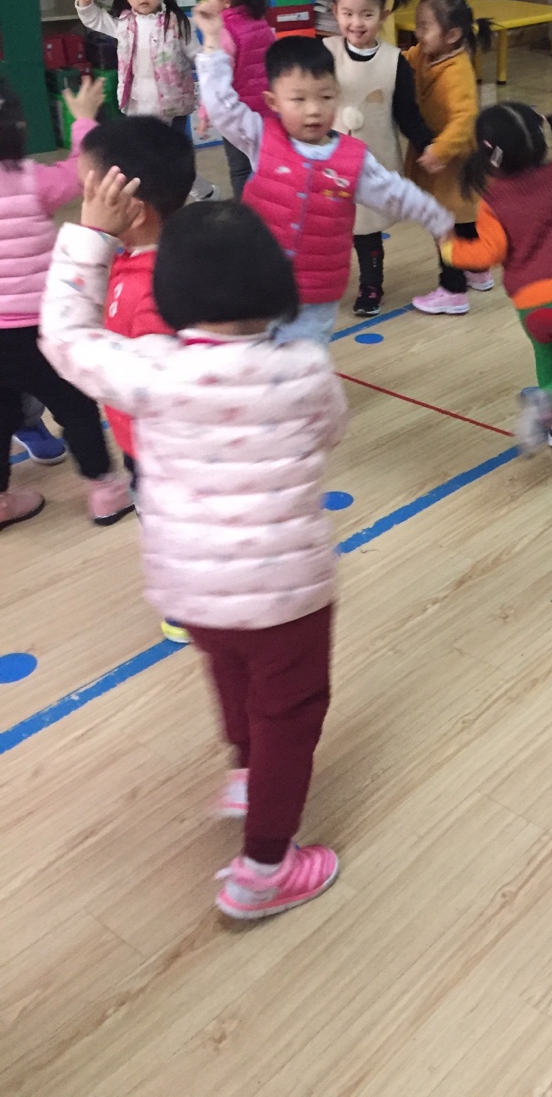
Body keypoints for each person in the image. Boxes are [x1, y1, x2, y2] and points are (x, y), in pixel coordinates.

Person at [40, 185, 346, 920]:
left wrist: (91, 236)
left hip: (192, 591)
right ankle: (265, 870)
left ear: (171, 291)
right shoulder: (308, 368)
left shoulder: (152, 368)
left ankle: (245, 772)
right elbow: (329, 431)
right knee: (290, 711)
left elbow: (64, 337)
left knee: (230, 675)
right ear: (274, 281)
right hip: (287, 593)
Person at [192, 21, 455, 345]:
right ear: (273, 102)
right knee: (256, 354)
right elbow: (222, 107)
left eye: (325, 96)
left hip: (316, 295)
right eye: (298, 100)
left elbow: (394, 193)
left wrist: (437, 218)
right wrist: (212, 45)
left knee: (305, 360)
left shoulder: (352, 159)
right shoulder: (261, 137)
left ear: (338, 96)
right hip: (259, 281)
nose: (314, 110)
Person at [78, 113, 196, 642]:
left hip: (162, 447)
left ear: (134, 208)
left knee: (171, 525)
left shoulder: (158, 285)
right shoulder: (137, 256)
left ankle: (189, 602)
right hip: (140, 440)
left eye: (89, 193)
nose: (83, 205)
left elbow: (148, 382)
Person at [0, 76, 133, 530]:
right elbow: (83, 171)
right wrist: (82, 121)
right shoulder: (33, 180)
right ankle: (105, 492)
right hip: (41, 328)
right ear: (17, 127)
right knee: (75, 404)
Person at [447, 96, 552, 452]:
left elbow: (487, 254)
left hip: (532, 308)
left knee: (550, 358)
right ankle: (549, 404)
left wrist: (450, 249)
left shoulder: (493, 199)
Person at [324, 0, 434, 317]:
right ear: (335, 12)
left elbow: (407, 113)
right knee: (324, 227)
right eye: (348, 14)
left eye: (366, 15)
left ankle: (371, 285)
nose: (356, 23)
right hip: (328, 162)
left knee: (366, 229)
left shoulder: (393, 61)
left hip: (373, 160)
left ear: (383, 15)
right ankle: (321, 283)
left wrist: (429, 144)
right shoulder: (324, 53)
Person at [75, 0, 214, 200]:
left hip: (173, 106)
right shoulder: (124, 24)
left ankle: (202, 191)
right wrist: (85, 4)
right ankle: (153, 200)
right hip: (137, 104)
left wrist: (214, 63)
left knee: (172, 157)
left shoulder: (177, 23)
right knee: (143, 158)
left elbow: (197, 56)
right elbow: (95, 19)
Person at [404, 0, 494, 316]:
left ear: (452, 35)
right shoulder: (426, 54)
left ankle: (453, 289)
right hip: (446, 159)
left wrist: (440, 150)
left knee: (444, 222)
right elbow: (404, 62)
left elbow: (465, 118)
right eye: (418, 24)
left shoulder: (457, 72)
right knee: (464, 216)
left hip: (452, 159)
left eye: (425, 27)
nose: (418, 32)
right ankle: (479, 269)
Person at [199, 0, 276, 199]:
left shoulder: (224, 32)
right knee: (264, 165)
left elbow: (217, 79)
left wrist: (205, 113)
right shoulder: (260, 22)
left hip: (237, 113)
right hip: (268, 111)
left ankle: (247, 211)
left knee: (240, 169)